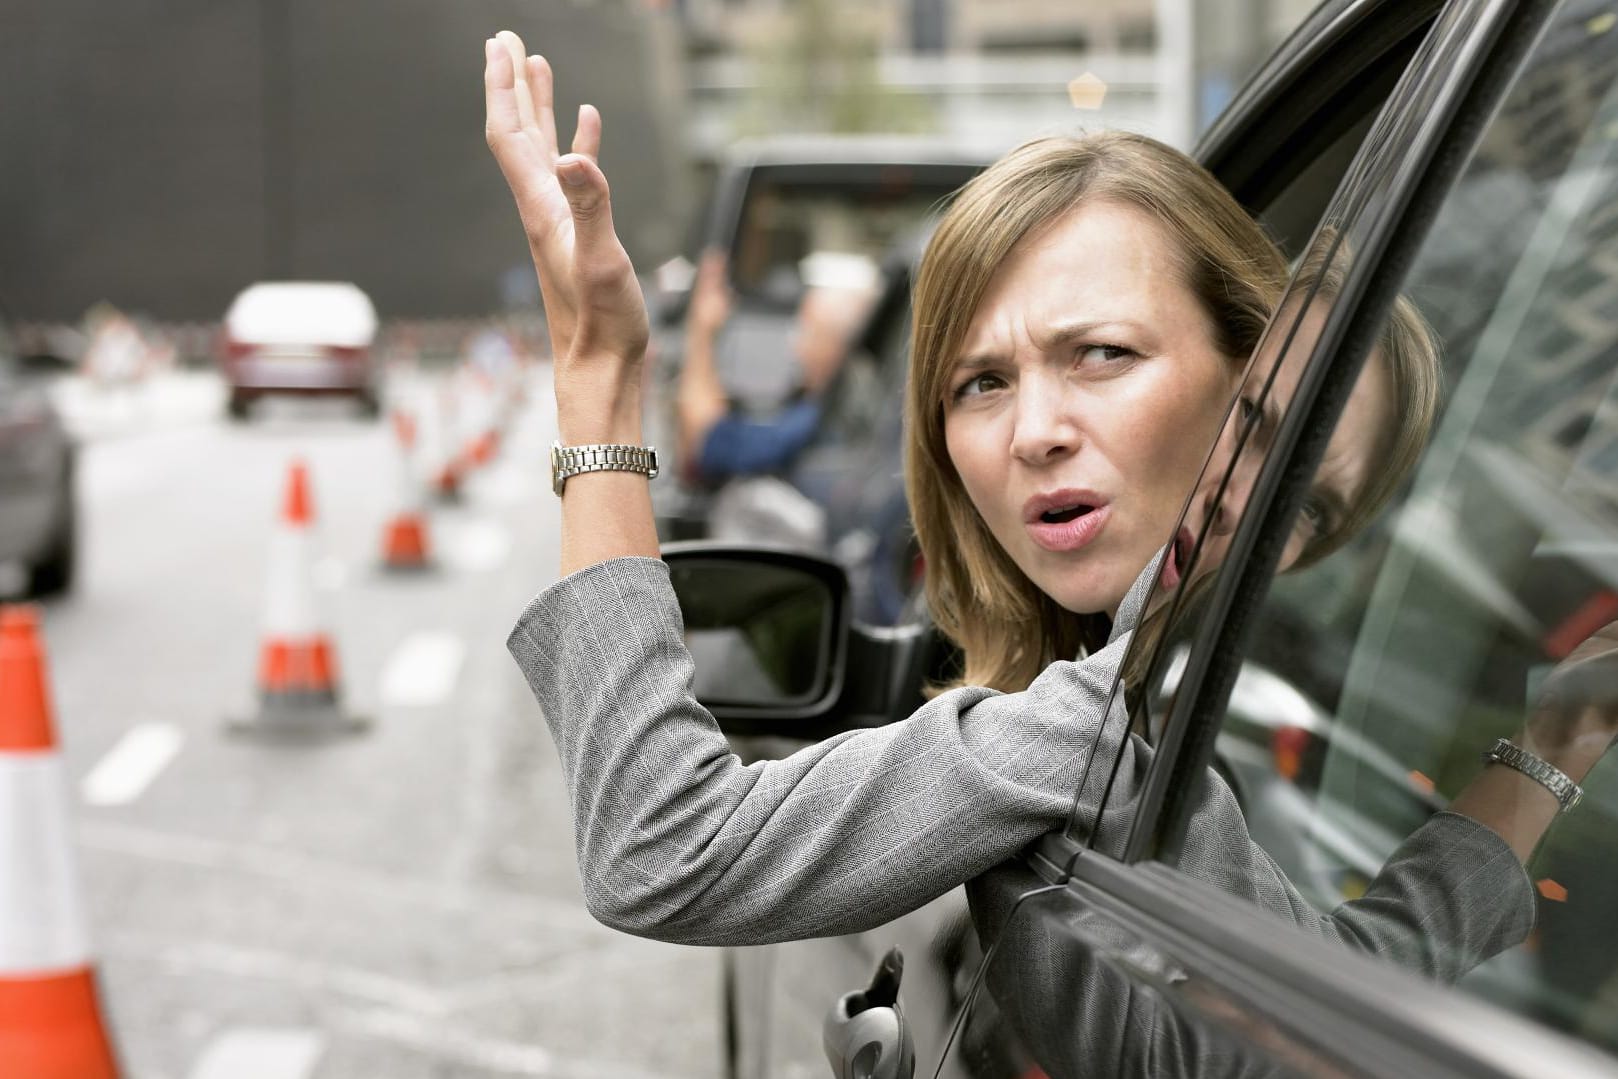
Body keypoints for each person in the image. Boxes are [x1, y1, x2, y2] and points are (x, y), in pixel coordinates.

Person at [482, 30, 1609, 978]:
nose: (1033, 431)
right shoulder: (1089, 721)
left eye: (1102, 355)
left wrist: (598, 384)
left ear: (1244, 387)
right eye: (981, 382)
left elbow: (657, 842)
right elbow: (664, 846)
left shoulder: (1126, 717)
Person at [675, 248, 880, 483]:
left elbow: (704, 438)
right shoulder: (841, 414)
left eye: (807, 331)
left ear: (834, 346)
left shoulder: (815, 428)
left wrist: (701, 331)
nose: (796, 346)